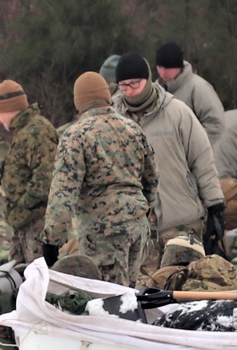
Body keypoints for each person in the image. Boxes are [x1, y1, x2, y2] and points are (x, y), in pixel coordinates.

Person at [42, 71, 158, 287]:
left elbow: (63, 193)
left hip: (103, 231)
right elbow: (151, 177)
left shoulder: (75, 135)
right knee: (132, 294)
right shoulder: (132, 128)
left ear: (78, 102)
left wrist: (52, 239)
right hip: (138, 225)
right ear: (106, 95)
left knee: (107, 295)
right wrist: (143, 208)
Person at [112, 53, 225, 274]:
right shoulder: (115, 118)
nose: (129, 91)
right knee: (145, 288)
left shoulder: (176, 112)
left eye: (135, 83)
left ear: (147, 79)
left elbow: (201, 159)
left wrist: (215, 204)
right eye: (124, 86)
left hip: (181, 219)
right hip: (137, 226)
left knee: (184, 282)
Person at [0, 79, 58, 266]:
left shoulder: (37, 132)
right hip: (24, 223)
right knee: (18, 274)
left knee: (38, 278)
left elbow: (47, 178)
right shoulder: (25, 132)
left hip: (37, 224)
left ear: (9, 108)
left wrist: (22, 205)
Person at [155, 42, 225, 148]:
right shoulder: (156, 90)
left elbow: (215, 124)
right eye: (159, 67)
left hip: (191, 154)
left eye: (167, 68)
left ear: (178, 67)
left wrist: (193, 148)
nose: (162, 72)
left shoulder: (199, 88)